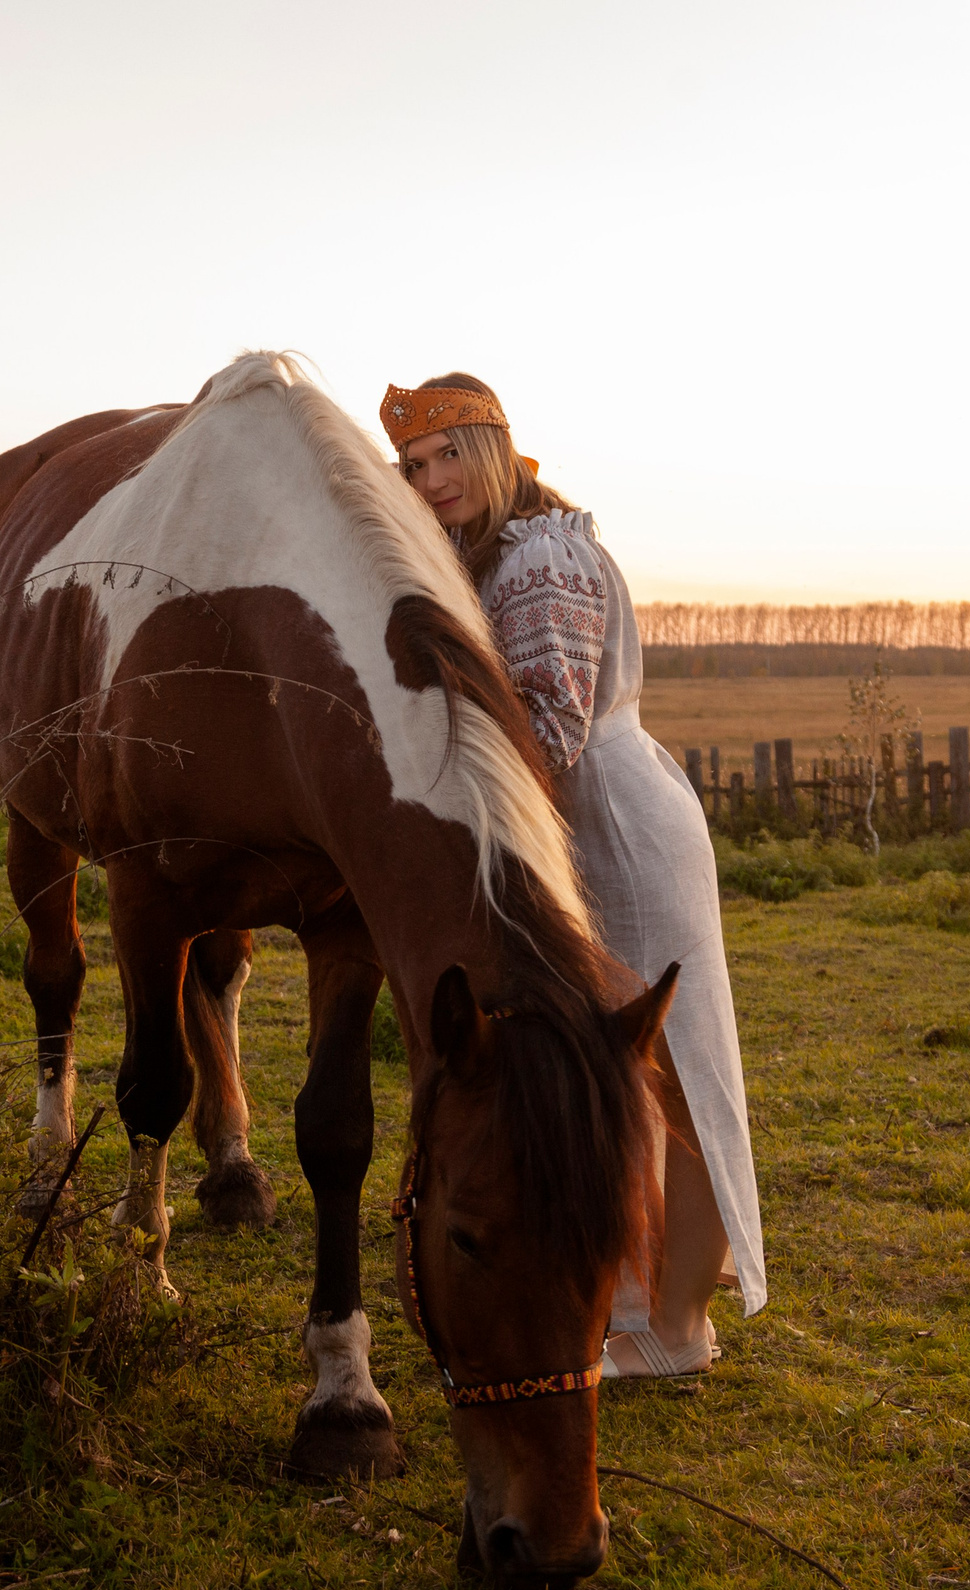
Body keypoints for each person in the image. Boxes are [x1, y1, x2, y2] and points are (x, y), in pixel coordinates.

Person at [383, 373, 767, 1375]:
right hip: (579, 819)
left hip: (609, 821)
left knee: (675, 1075)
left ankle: (677, 1325)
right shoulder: (502, 554)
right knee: (621, 1079)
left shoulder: (540, 557)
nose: (432, 480)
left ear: (493, 448)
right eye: (415, 467)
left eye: (447, 455)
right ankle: (640, 1304)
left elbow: (548, 728)